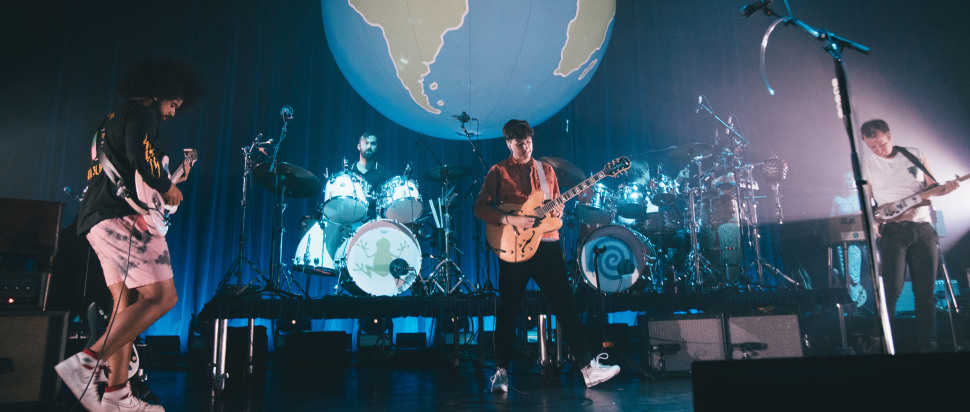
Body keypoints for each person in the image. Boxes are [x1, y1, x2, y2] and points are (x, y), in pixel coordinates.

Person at [55, 58, 202, 411]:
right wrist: (167, 186)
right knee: (163, 297)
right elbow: (141, 156)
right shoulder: (143, 114)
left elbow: (120, 166)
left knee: (127, 308)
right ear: (160, 93)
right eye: (173, 104)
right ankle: (87, 363)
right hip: (122, 221)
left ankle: (117, 397)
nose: (172, 113)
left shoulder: (108, 122)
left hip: (94, 221)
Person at [474, 119, 620, 392]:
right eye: (519, 144)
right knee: (507, 311)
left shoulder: (547, 170)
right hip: (513, 247)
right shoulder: (497, 172)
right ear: (508, 143)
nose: (526, 147)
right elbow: (481, 209)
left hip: (547, 244)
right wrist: (509, 219)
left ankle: (589, 369)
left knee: (565, 306)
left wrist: (557, 211)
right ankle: (501, 373)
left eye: (529, 142)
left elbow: (555, 208)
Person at [861, 119, 959, 353]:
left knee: (925, 293)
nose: (877, 150)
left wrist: (947, 187)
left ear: (890, 136)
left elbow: (932, 187)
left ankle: (929, 346)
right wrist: (872, 221)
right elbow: (866, 199)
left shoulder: (913, 155)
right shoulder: (867, 165)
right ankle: (882, 344)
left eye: (881, 144)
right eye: (871, 146)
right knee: (891, 290)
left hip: (923, 228)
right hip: (893, 230)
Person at [830, 171, 867, 308]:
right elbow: (832, 220)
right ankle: (853, 305)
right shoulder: (837, 200)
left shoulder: (861, 196)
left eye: (849, 179)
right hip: (847, 241)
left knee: (874, 269)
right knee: (850, 274)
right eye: (844, 180)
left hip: (865, 239)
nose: (847, 182)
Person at [348, 132, 393, 220]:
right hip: (349, 219)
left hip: (373, 223)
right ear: (358, 146)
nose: (369, 146)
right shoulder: (348, 172)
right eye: (366, 143)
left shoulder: (384, 173)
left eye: (373, 144)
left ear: (377, 148)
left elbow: (383, 204)